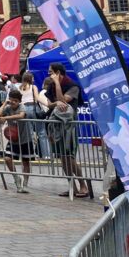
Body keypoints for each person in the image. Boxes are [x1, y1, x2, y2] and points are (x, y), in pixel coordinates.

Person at [43, 63, 89, 198]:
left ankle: (83, 185)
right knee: (63, 158)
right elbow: (51, 104)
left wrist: (57, 84)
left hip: (69, 126)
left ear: (58, 73)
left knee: (69, 157)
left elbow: (63, 102)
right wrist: (56, 102)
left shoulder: (72, 86)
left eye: (51, 72)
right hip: (56, 125)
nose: (48, 75)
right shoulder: (51, 86)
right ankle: (71, 187)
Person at [0, 88, 32, 192]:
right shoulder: (8, 107)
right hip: (13, 139)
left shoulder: (22, 107)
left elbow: (21, 115)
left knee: (26, 162)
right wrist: (4, 104)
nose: (13, 102)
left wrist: (6, 118)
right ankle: (16, 178)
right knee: (7, 159)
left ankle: (25, 184)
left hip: (25, 138)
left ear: (19, 101)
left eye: (15, 101)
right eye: (11, 100)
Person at [19, 70, 49, 159]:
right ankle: (46, 155)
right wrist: (48, 104)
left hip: (23, 109)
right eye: (32, 78)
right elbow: (37, 98)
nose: (34, 79)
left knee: (30, 133)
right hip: (33, 108)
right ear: (29, 78)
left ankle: (32, 154)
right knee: (42, 132)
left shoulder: (20, 88)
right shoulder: (33, 87)